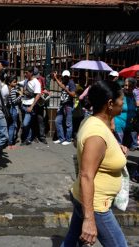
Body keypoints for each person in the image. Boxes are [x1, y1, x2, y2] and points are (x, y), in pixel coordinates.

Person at [61, 80, 128, 247]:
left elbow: (80, 144)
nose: (124, 103)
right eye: (122, 100)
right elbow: (86, 174)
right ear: (110, 104)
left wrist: (114, 148)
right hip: (97, 204)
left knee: (70, 242)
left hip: (83, 197)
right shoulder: (97, 133)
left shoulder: (92, 122)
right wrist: (89, 220)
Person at [17, 66, 42, 146]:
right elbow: (19, 83)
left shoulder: (36, 82)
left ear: (31, 73)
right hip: (23, 105)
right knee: (27, 123)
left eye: (26, 73)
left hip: (29, 106)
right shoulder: (26, 81)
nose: (25, 74)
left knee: (25, 124)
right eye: (24, 72)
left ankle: (28, 138)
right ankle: (28, 139)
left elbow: (38, 95)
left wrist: (31, 106)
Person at [53, 70, 76, 146]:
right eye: (64, 77)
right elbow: (60, 85)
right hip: (62, 105)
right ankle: (61, 138)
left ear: (69, 77)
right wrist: (56, 78)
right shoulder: (64, 81)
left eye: (66, 77)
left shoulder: (71, 83)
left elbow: (73, 94)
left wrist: (66, 89)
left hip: (68, 105)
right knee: (57, 121)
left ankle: (68, 139)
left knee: (68, 123)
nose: (65, 78)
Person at [114, 77, 138, 151]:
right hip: (118, 124)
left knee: (126, 147)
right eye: (125, 85)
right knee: (118, 146)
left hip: (129, 126)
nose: (127, 88)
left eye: (130, 86)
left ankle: (123, 161)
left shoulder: (133, 95)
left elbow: (134, 109)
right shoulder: (119, 94)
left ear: (134, 87)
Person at [7, 75, 20, 149]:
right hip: (13, 109)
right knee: (12, 126)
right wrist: (20, 96)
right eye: (14, 82)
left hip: (9, 109)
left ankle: (9, 142)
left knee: (9, 126)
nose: (16, 83)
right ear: (9, 83)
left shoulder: (8, 89)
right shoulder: (13, 90)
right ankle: (10, 143)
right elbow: (14, 101)